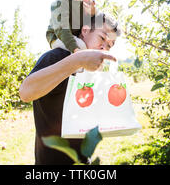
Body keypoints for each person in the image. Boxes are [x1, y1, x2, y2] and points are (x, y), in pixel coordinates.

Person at [20, 13, 121, 165]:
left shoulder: (93, 72)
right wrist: (78, 60)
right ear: (85, 30)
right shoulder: (57, 56)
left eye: (109, 46)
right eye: (102, 38)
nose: (104, 47)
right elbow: (25, 93)